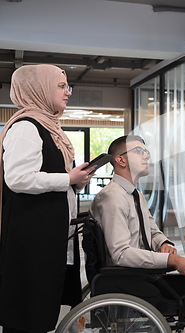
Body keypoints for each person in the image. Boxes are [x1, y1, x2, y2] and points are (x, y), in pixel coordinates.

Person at [90, 135, 185, 333]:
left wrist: (162, 243)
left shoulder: (134, 194)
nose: (146, 156)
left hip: (144, 274)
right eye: (139, 151)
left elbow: (152, 230)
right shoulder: (112, 197)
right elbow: (121, 254)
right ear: (120, 160)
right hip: (128, 280)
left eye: (146, 151)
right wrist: (172, 261)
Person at [0, 65, 95, 333]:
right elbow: (18, 178)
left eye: (68, 87)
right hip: (32, 238)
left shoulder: (48, 125)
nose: (68, 93)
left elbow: (46, 179)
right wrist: (68, 179)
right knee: (28, 315)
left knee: (42, 310)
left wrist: (75, 183)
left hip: (47, 235)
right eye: (61, 86)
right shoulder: (26, 127)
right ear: (38, 88)